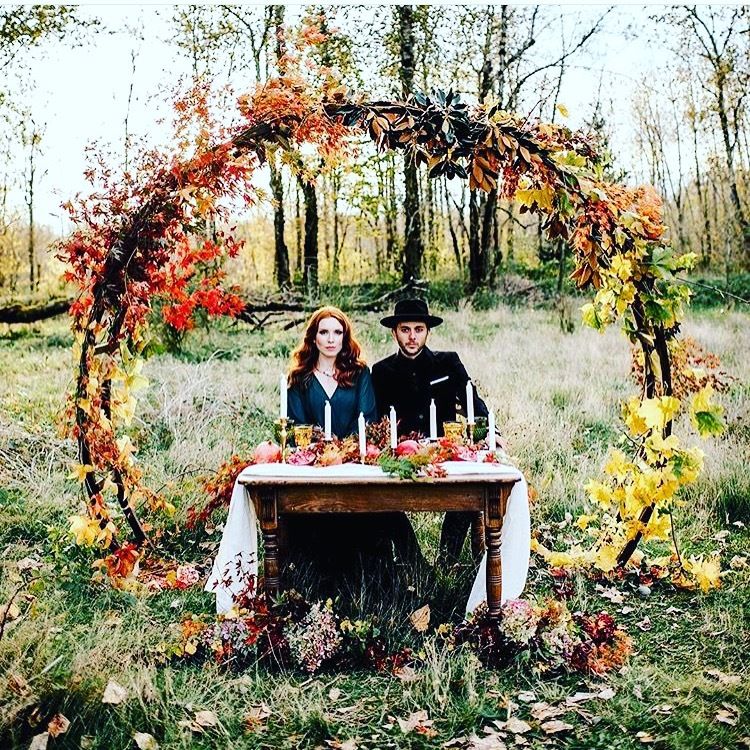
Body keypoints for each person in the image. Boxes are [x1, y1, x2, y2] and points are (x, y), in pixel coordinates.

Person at [284, 306, 422, 585]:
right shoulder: (299, 379)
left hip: (355, 462)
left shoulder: (359, 374)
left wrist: (346, 450)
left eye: (338, 332)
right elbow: (298, 429)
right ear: (313, 338)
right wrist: (321, 449)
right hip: (315, 468)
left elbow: (367, 421)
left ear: (345, 338)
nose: (331, 339)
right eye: (324, 332)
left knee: (381, 513)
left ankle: (390, 576)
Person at [371, 298, 496, 565]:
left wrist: (490, 430)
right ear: (394, 332)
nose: (412, 336)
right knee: (381, 505)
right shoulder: (381, 372)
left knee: (467, 499)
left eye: (419, 329)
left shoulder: (448, 363)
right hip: (400, 457)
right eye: (405, 329)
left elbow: (473, 401)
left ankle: (447, 560)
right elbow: (375, 420)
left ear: (428, 331)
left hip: (445, 453)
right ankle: (414, 563)